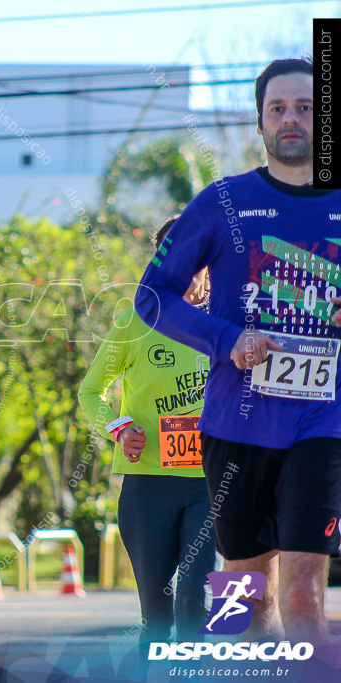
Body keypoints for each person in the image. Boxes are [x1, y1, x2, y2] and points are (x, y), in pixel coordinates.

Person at [136, 58, 341, 644]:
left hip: (322, 420)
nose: (292, 119)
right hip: (237, 422)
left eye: (306, 107)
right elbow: (152, 296)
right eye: (278, 108)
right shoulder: (222, 202)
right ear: (259, 123)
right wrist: (228, 342)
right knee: (244, 594)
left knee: (304, 592)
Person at [79, 218, 215, 646]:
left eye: (194, 259)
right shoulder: (135, 321)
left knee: (195, 599)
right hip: (147, 485)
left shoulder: (229, 323)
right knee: (156, 615)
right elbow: (89, 392)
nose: (185, 270)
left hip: (210, 484)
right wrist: (119, 428)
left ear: (209, 265)